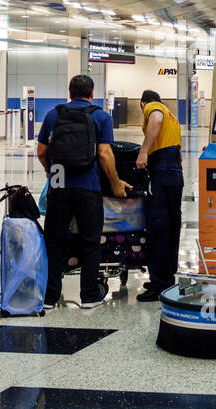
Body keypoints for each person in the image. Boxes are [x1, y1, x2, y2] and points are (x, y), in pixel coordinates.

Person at [37, 74, 129, 308]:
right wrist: (116, 183)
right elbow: (105, 153)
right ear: (91, 94)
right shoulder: (100, 116)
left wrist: (51, 170)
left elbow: (40, 151)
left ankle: (49, 296)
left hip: (59, 184)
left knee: (54, 240)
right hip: (88, 186)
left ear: (69, 93)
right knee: (90, 240)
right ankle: (89, 296)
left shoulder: (53, 115)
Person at [135, 90, 184, 302]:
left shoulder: (153, 107)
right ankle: (166, 277)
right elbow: (179, 154)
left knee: (158, 226)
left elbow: (155, 119)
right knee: (171, 225)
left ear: (142, 102)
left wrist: (144, 150)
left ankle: (158, 285)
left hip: (161, 172)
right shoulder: (172, 115)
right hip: (174, 172)